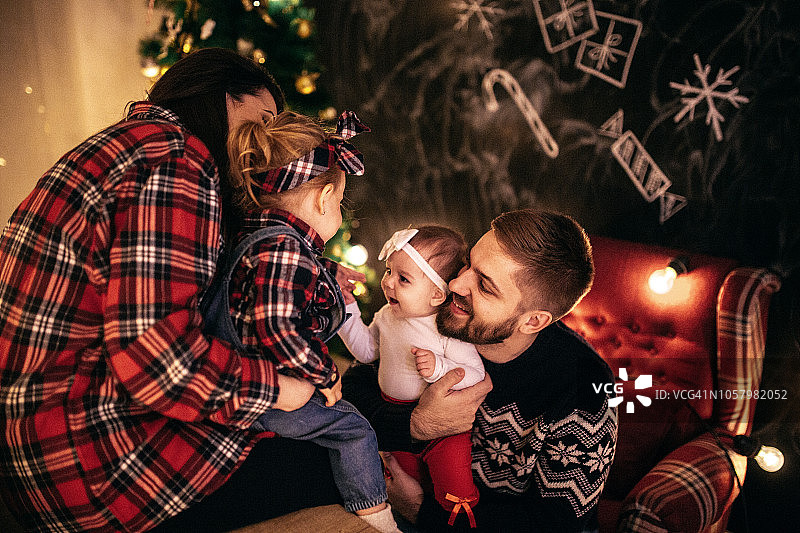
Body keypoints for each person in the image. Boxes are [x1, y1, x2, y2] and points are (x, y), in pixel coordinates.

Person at [0, 48, 335, 533]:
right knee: (342, 450)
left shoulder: (125, 146)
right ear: (223, 97)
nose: (265, 149)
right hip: (91, 468)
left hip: (37, 455)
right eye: (262, 121)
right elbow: (156, 358)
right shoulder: (177, 158)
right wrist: (278, 389)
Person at [342, 209, 619, 532]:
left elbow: (556, 523)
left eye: (485, 286)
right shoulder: (441, 312)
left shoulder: (586, 386)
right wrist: (415, 426)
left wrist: (420, 510)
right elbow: (350, 389)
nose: (455, 283)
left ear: (533, 321)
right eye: (468, 264)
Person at [196, 109, 400, 533]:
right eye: (339, 202)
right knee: (353, 428)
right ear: (323, 199)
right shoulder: (285, 250)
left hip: (244, 382)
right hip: (265, 390)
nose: (338, 210)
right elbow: (277, 326)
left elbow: (283, 281)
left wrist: (330, 273)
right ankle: (380, 520)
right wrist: (324, 373)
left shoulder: (260, 234)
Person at [337, 226, 486, 526]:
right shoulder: (386, 316)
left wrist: (440, 367)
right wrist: (347, 308)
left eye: (403, 278)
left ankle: (459, 522)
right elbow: (366, 351)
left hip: (446, 431)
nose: (388, 282)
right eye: (389, 271)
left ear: (436, 294)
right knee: (401, 480)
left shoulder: (446, 328)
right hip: (398, 421)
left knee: (454, 491)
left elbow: (476, 374)